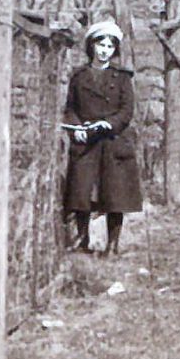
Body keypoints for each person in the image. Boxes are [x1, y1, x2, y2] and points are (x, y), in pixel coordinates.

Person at [63, 19, 142, 254]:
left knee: (115, 194)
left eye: (109, 46)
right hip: (86, 142)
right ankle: (83, 240)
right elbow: (70, 109)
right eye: (100, 45)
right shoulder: (79, 77)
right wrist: (75, 127)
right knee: (81, 190)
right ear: (92, 47)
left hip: (113, 141)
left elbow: (127, 111)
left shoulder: (122, 78)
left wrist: (108, 124)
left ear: (114, 50)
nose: (104, 51)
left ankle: (113, 245)